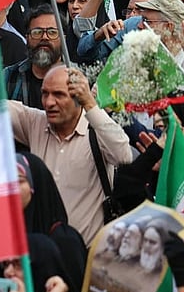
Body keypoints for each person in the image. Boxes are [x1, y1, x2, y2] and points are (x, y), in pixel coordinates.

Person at [9, 65, 132, 244]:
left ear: (78, 98)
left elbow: (124, 156)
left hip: (87, 259)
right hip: (45, 258)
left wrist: (90, 103)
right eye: (45, 93)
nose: (49, 102)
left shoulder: (96, 132)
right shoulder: (34, 122)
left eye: (58, 95)